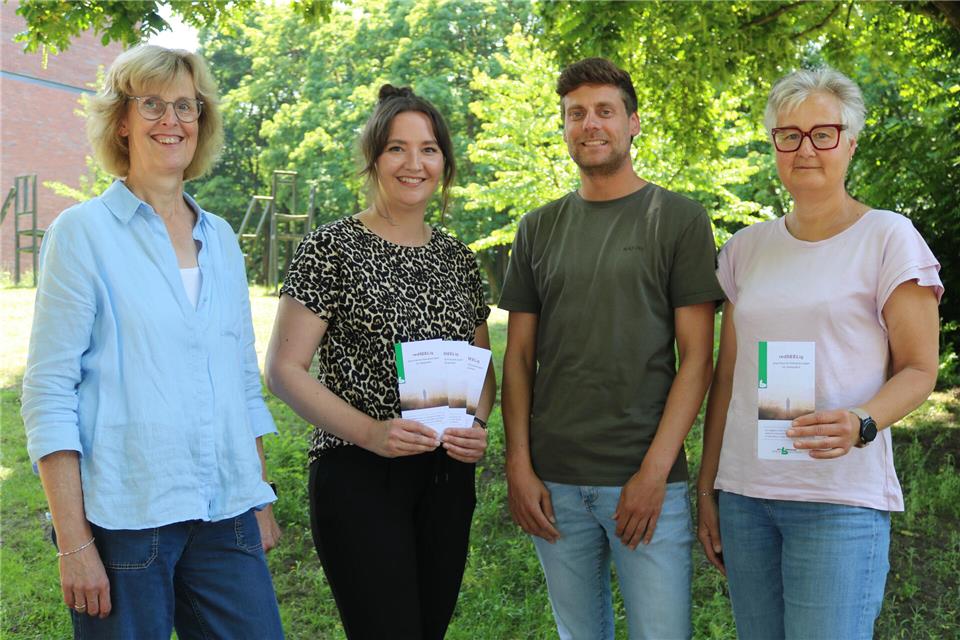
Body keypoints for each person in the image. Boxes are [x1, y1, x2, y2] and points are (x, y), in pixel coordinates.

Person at [21, 45, 284, 638]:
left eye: (186, 106)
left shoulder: (221, 239)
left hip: (226, 510)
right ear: (121, 120)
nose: (172, 120)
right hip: (126, 517)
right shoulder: (82, 234)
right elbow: (49, 392)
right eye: (152, 105)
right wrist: (73, 542)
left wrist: (259, 495)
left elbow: (241, 380)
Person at [696, 67, 942, 640]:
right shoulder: (745, 249)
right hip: (747, 499)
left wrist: (862, 420)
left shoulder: (888, 238)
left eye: (822, 133)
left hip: (838, 499)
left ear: (850, 142)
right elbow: (727, 379)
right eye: (789, 135)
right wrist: (710, 487)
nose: (805, 149)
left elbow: (919, 369)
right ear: (774, 146)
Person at [499, 57, 723, 640]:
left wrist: (654, 473)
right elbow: (518, 359)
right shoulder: (536, 228)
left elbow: (698, 360)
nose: (590, 124)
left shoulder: (679, 219)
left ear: (633, 123)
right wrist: (518, 465)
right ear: (564, 127)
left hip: (647, 478)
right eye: (576, 114)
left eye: (604, 110)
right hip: (554, 483)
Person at [265, 84, 496, 640]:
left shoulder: (456, 258)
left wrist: (478, 424)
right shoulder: (331, 248)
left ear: (444, 163)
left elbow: (481, 363)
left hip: (446, 475)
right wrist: (373, 434)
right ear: (372, 159)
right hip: (359, 473)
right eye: (397, 148)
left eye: (428, 149)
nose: (414, 163)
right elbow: (283, 370)